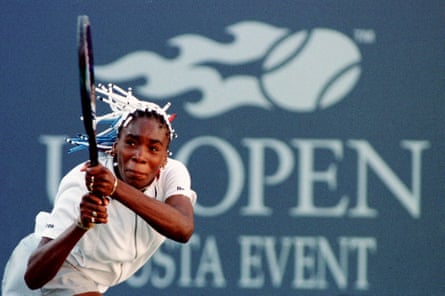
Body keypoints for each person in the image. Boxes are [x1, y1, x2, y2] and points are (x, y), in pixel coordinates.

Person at [2, 84, 196, 295]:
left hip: (94, 282)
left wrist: (115, 188)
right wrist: (80, 225)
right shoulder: (81, 181)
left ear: (165, 158)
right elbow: (33, 276)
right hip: (54, 274)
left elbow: (183, 228)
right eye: (131, 142)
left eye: (153, 148)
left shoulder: (173, 173)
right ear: (115, 147)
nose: (140, 156)